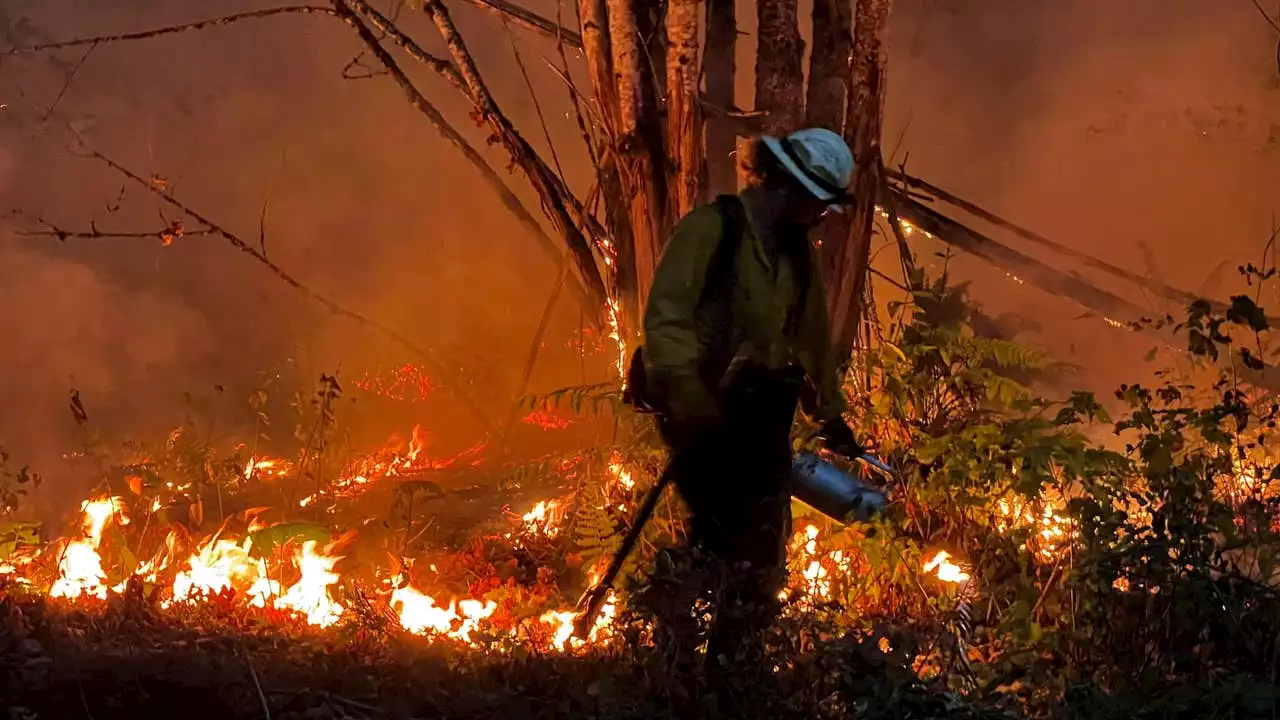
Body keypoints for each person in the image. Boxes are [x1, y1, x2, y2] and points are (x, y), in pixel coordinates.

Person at [636, 127, 866, 676]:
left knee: (760, 537)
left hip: (760, 416)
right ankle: (678, 654)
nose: (820, 217)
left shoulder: (794, 257)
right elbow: (667, 322)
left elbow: (809, 342)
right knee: (729, 537)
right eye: (817, 203)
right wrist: (691, 406)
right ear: (788, 187)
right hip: (704, 408)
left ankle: (729, 668)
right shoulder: (711, 231)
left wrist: (829, 415)